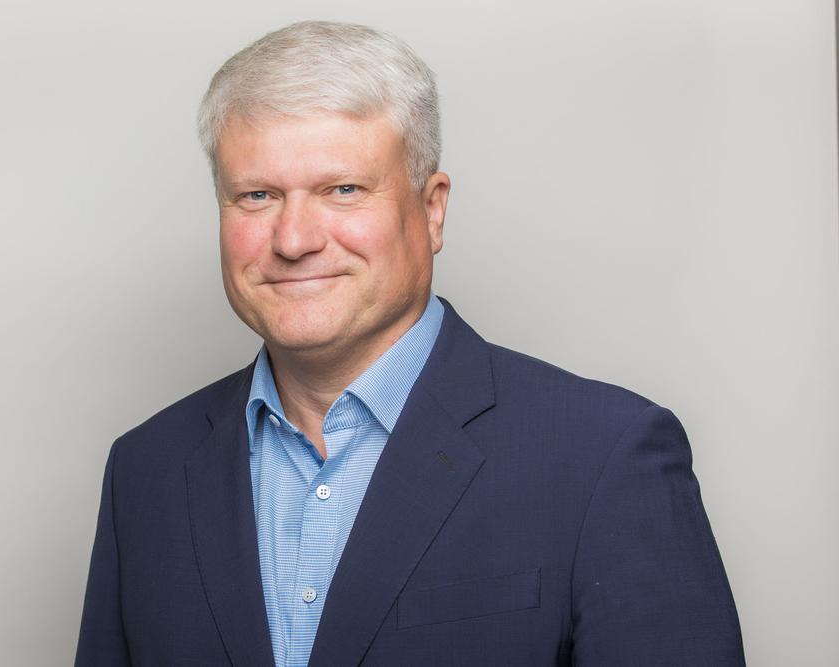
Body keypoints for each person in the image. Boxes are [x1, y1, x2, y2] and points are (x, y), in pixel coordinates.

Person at [75, 20, 744, 666]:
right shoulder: (145, 472)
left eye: (343, 189)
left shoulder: (603, 457)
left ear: (432, 209)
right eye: (256, 195)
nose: (294, 239)